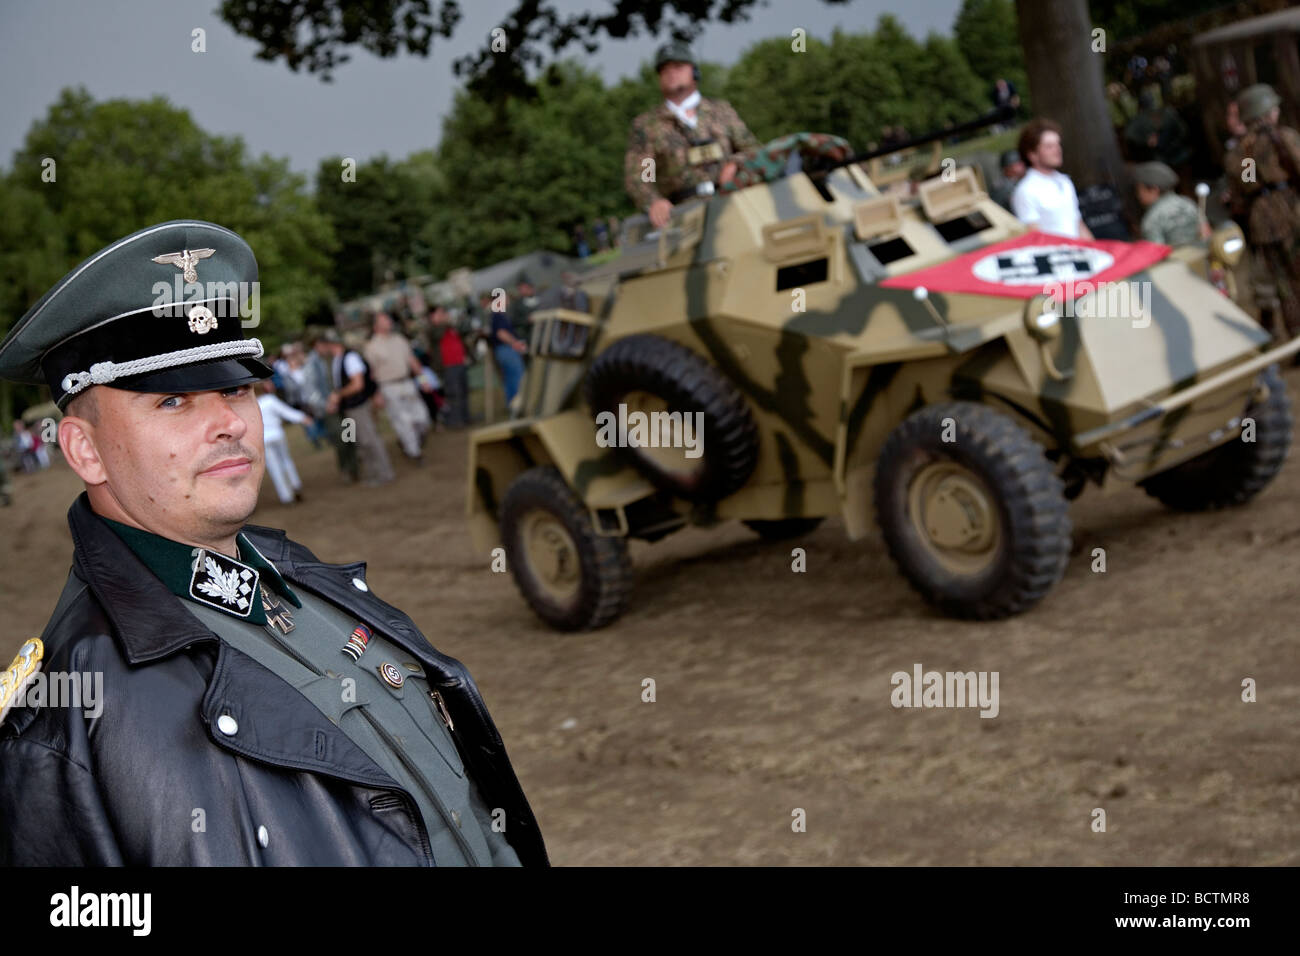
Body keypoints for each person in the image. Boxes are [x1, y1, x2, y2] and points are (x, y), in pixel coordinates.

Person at [0, 220, 545, 865]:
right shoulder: (67, 719)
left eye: (235, 388)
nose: (229, 423)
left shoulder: (305, 579)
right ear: (85, 449)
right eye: (173, 401)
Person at [624, 41, 760, 229]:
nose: (671, 73)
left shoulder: (721, 112)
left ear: (694, 72)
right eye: (664, 70)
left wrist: (735, 163)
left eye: (678, 67)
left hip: (732, 200)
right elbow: (643, 175)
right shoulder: (648, 126)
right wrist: (653, 201)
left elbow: (753, 149)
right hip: (684, 215)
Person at [1225, 83, 1300, 340]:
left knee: (1282, 283)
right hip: (1291, 212)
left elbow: (1243, 187)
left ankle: (1296, 334)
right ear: (1266, 112)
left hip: (1261, 221)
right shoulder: (1283, 137)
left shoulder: (1240, 151)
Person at [313, 328, 395, 486]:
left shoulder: (349, 357)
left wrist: (338, 395)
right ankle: (374, 473)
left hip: (358, 406)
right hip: (350, 408)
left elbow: (357, 385)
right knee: (361, 441)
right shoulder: (337, 359)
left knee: (369, 440)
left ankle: (384, 473)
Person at [363, 312, 432, 462]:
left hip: (407, 383)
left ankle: (408, 442)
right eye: (384, 319)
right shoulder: (371, 347)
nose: (389, 321)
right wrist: (376, 394)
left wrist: (423, 380)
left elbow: (413, 361)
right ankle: (414, 452)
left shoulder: (399, 339)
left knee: (422, 418)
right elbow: (371, 374)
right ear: (376, 325)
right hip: (388, 387)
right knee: (403, 421)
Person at [1011, 118, 1093, 239]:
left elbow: (1078, 224)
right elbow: (1035, 238)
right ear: (1032, 155)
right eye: (1049, 146)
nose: (1058, 150)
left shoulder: (1064, 181)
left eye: (1057, 144)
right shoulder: (1025, 191)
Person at [256, 379, 312, 504]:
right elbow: (286, 412)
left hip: (264, 439)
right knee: (286, 460)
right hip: (277, 435)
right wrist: (303, 418)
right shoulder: (270, 400)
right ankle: (295, 485)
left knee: (274, 467)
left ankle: (286, 496)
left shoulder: (253, 404)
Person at [1134, 161, 1206, 247]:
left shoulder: (1151, 219)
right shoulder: (1187, 202)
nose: (1138, 195)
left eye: (1139, 190)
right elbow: (1206, 233)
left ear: (1154, 190)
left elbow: (1157, 252)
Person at [431, 304, 469, 428]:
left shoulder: (450, 327)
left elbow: (463, 332)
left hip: (459, 362)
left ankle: (464, 417)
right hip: (447, 366)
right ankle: (454, 420)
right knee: (453, 394)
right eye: (440, 313)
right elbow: (437, 335)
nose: (443, 316)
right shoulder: (433, 328)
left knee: (463, 391)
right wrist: (442, 321)